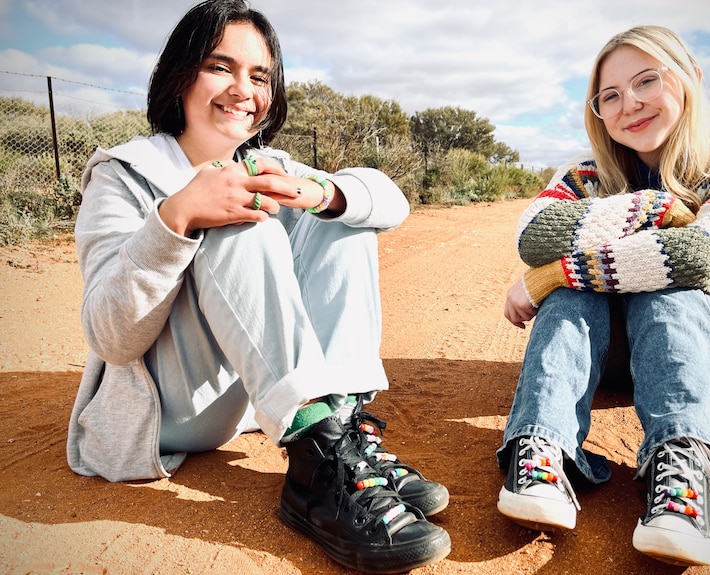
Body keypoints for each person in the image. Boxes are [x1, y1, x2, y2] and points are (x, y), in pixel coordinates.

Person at [66, 1, 450, 571]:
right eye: (221, 67)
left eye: (260, 75)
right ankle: (317, 471)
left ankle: (338, 435)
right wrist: (177, 218)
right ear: (181, 74)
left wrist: (321, 192)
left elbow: (390, 202)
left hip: (249, 398)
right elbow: (110, 336)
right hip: (171, 407)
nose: (242, 89)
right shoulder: (122, 172)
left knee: (343, 224)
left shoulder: (268, 162)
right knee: (237, 221)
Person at [498, 25, 710, 567]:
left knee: (668, 290)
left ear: (690, 75)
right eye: (611, 96)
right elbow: (533, 236)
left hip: (683, 346)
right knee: (576, 299)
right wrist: (660, 211)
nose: (631, 104)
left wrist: (549, 276)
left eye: (647, 81)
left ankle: (682, 467)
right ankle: (543, 449)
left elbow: (697, 258)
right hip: (598, 356)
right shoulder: (585, 173)